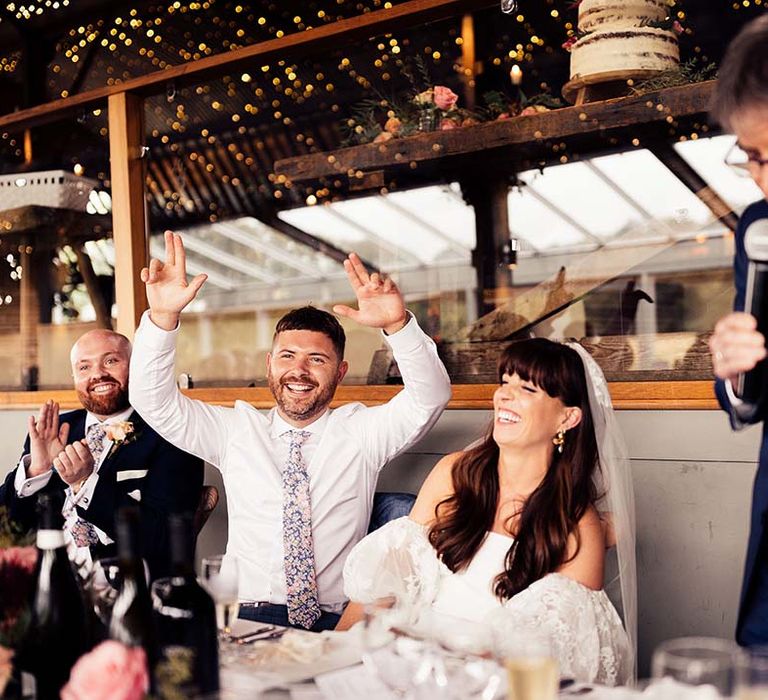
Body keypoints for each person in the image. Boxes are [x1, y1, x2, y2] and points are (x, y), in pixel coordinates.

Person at [128, 231, 452, 632]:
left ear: (340, 372)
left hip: (339, 622)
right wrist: (162, 320)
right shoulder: (235, 430)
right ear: (269, 366)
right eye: (287, 356)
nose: (298, 371)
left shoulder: (363, 433)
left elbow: (430, 397)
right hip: (244, 615)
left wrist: (398, 327)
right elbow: (151, 399)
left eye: (316, 359)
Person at [339, 338, 635, 685]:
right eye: (504, 382)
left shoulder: (577, 524)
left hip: (494, 685)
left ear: (567, 418)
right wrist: (332, 654)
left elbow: (563, 664)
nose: (504, 396)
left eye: (526, 388)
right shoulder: (455, 475)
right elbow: (385, 587)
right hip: (409, 669)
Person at [0, 329, 204, 580]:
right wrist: (37, 471)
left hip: (124, 591)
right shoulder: (56, 430)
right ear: (74, 376)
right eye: (84, 367)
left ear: (135, 366)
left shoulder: (172, 435)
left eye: (111, 361)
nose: (97, 374)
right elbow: (7, 529)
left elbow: (166, 539)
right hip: (39, 586)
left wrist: (85, 483)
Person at [708, 14, 768, 647]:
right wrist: (735, 368)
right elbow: (748, 403)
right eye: (750, 157)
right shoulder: (759, 228)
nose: (760, 180)